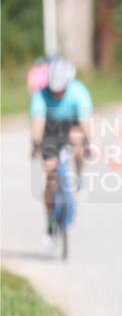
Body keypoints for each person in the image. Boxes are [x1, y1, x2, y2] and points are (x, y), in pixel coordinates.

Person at [30, 58, 94, 244]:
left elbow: (86, 122)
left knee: (78, 141)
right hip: (50, 129)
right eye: (53, 91)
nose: (57, 94)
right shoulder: (40, 95)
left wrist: (87, 143)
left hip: (72, 126)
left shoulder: (78, 92)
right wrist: (36, 144)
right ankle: (50, 222)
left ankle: (79, 175)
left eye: (61, 91)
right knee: (50, 176)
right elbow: (38, 124)